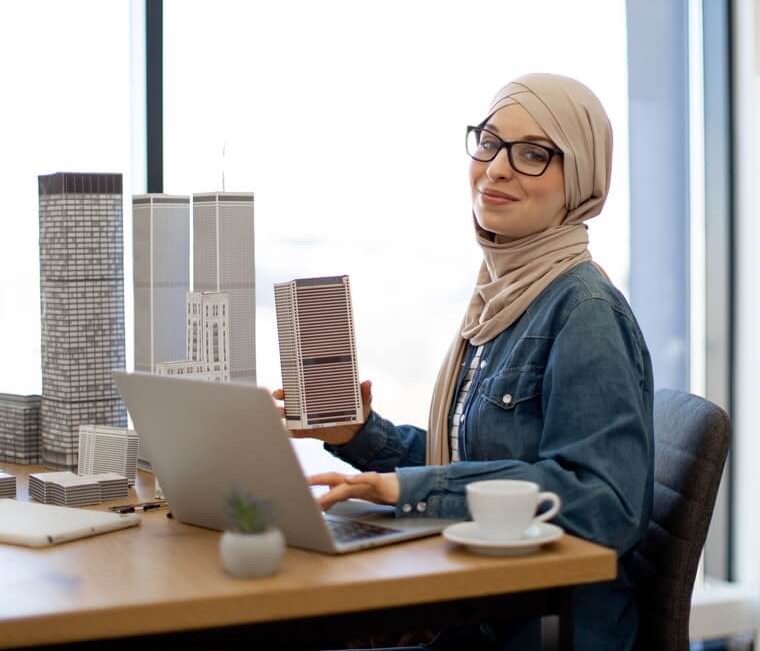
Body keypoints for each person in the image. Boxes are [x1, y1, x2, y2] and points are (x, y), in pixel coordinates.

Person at [273, 73, 654, 650]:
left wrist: (404, 491)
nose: (497, 168)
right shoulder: (503, 298)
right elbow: (471, 463)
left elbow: (604, 503)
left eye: (533, 154)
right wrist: (361, 437)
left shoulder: (584, 311)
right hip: (473, 617)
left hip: (539, 631)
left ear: (579, 181)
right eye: (490, 142)